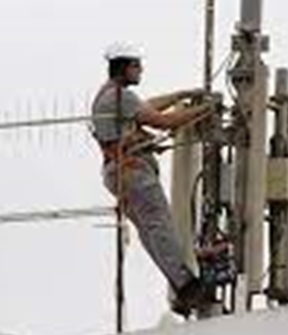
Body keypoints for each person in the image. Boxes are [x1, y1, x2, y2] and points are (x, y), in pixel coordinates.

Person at [91, 42, 212, 316]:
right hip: (132, 172)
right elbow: (163, 121)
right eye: (136, 65)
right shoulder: (119, 96)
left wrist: (182, 95)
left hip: (119, 172)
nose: (141, 70)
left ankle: (181, 283)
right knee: (159, 226)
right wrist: (205, 110)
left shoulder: (111, 95)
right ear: (124, 67)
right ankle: (186, 285)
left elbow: (148, 106)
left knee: (151, 232)